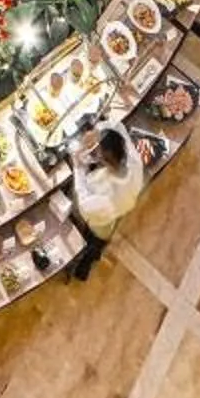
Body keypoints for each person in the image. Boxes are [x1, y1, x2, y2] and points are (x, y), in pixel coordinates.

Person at [71, 120, 145, 280]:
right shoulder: (134, 162)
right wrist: (97, 131)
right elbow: (118, 126)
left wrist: (77, 167)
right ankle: (93, 252)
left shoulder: (105, 198)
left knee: (95, 239)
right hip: (121, 208)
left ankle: (86, 262)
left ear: (102, 160)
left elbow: (83, 200)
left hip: (102, 222)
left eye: (97, 151)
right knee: (103, 234)